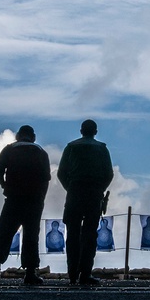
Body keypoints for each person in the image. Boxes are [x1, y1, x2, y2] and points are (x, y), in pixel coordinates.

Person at [0, 125, 51, 286]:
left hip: (13, 197)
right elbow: (46, 178)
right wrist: (41, 197)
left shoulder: (9, 150)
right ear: (33, 136)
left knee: (4, 232)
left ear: (18, 136)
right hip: (34, 200)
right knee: (31, 236)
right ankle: (30, 273)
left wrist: (5, 186)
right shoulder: (41, 152)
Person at [58, 119, 113, 286]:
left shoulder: (71, 147)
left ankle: (72, 274)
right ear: (95, 131)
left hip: (74, 192)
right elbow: (109, 174)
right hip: (94, 194)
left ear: (81, 130)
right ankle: (85, 273)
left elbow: (61, 173)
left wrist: (71, 188)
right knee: (90, 235)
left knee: (72, 234)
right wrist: (99, 190)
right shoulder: (102, 148)